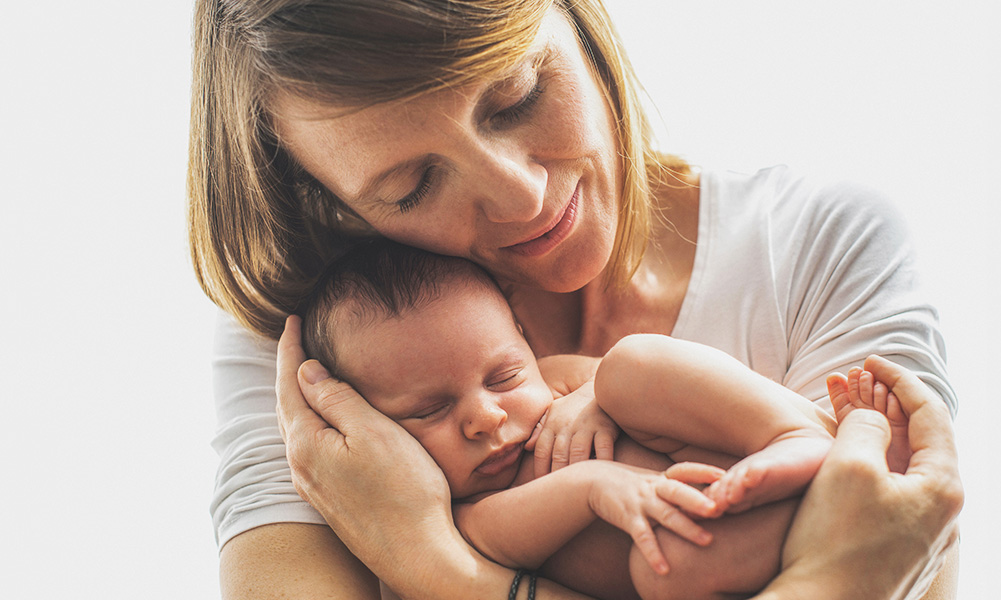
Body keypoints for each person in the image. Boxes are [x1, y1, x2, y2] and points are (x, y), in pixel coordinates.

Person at [188, 0, 961, 597]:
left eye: (517, 95)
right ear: (328, 199)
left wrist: (438, 570)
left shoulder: (814, 244)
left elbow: (899, 540)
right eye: (410, 184)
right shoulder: (324, 345)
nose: (521, 195)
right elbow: (857, 567)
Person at [298, 239, 837, 599]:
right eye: (428, 410)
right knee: (666, 568)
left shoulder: (553, 378)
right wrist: (595, 485)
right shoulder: (458, 513)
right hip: (724, 541)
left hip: (734, 459)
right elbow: (501, 541)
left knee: (631, 365)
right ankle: (820, 512)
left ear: (524, 342)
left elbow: (632, 381)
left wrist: (594, 396)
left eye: (504, 376)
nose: (487, 416)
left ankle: (795, 436)